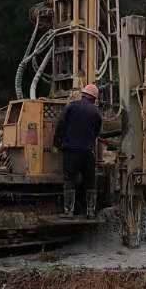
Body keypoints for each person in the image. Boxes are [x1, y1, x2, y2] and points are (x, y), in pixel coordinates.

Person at [53, 83, 102, 217]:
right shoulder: (96, 112)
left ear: (83, 94)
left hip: (71, 151)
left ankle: (69, 211)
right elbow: (97, 132)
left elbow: (60, 125)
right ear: (94, 98)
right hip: (88, 152)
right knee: (90, 181)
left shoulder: (71, 107)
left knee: (69, 179)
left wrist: (57, 144)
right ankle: (91, 211)